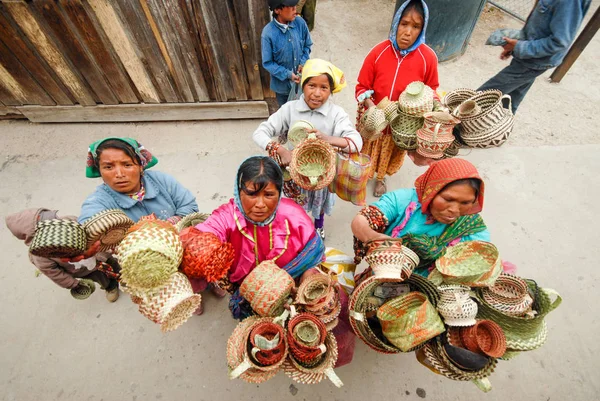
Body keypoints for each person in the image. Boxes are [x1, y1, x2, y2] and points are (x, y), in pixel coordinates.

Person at [78, 137, 224, 313]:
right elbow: (87, 224)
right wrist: (84, 242)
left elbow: (189, 206)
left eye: (127, 164)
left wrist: (166, 227)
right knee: (176, 280)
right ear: (99, 170)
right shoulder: (100, 201)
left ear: (140, 165)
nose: (119, 173)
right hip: (152, 261)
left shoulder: (160, 181)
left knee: (201, 266)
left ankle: (211, 283)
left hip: (184, 243)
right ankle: (190, 297)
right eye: (108, 167)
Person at [194, 156, 324, 318]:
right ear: (239, 191)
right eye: (252, 194)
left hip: (292, 289)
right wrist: (194, 246)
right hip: (249, 292)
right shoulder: (227, 217)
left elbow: (313, 254)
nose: (260, 204)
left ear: (279, 193)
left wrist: (304, 287)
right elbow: (205, 233)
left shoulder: (295, 216)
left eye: (269, 195)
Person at [253, 58, 363, 240]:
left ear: (331, 91)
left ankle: (318, 226)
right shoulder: (289, 109)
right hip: (294, 173)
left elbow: (356, 142)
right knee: (295, 205)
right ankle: (298, 227)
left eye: (324, 88)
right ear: (302, 85)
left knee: (318, 205)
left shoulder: (336, 114)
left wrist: (328, 139)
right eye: (312, 85)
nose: (317, 93)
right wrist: (281, 150)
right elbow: (260, 133)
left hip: (321, 175)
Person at [356, 0, 440, 198]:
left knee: (389, 152)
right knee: (368, 148)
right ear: (396, 23)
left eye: (415, 26)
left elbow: (432, 90)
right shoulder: (378, 52)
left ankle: (381, 177)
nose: (408, 32)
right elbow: (361, 86)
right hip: (374, 120)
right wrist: (372, 108)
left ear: (422, 29)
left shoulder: (428, 58)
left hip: (401, 125)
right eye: (404, 24)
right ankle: (363, 174)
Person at [351, 158, 490, 277]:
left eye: (465, 203)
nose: (454, 210)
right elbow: (361, 221)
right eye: (448, 199)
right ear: (431, 191)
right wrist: (372, 237)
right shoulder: (403, 201)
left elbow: (480, 262)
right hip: (384, 275)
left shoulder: (470, 227)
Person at [478, 0, 591, 114]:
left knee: (478, 99)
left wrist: (520, 47)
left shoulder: (569, 2)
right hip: (529, 57)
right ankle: (501, 128)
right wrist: (516, 46)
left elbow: (559, 42)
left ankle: (461, 125)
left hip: (534, 61)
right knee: (509, 102)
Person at [6, 208, 120, 302]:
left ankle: (122, 274)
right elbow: (55, 274)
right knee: (101, 278)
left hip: (99, 254)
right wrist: (72, 284)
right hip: (85, 270)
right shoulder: (40, 256)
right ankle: (111, 287)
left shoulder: (68, 221)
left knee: (113, 263)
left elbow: (91, 229)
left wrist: (109, 242)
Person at [262, 0, 313, 107]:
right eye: (291, 6)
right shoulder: (268, 34)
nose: (295, 9)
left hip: (302, 84)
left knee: (303, 112)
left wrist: (303, 62)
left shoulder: (300, 23)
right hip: (282, 88)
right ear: (277, 10)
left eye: (295, 5)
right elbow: (268, 63)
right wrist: (288, 74)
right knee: (286, 115)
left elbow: (307, 46)